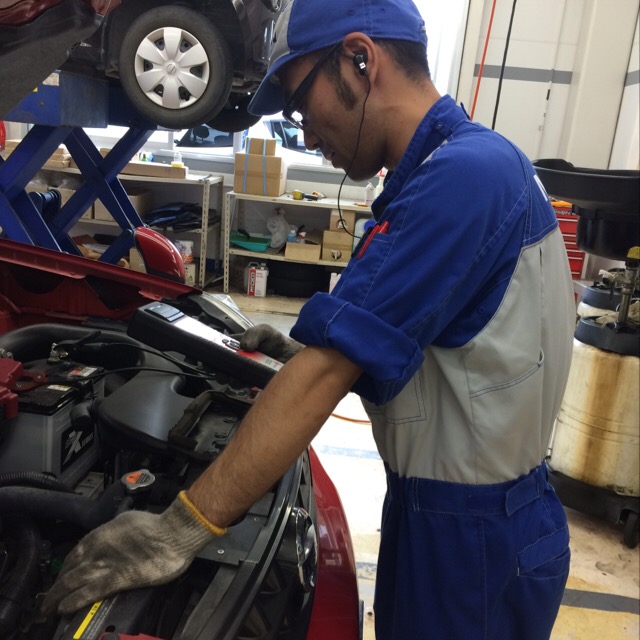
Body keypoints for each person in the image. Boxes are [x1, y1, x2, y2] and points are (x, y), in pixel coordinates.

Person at [43, 0, 577, 637]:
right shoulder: (471, 166)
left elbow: (328, 376)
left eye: (301, 106)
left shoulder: (463, 180)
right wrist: (304, 355)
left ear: (360, 60)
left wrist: (177, 530)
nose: (309, 136)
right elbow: (458, 349)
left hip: (472, 539)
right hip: (463, 517)